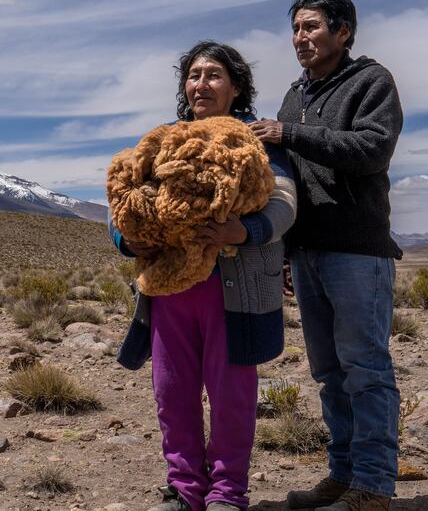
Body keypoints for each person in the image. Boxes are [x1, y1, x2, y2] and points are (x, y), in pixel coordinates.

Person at [110, 41, 296, 511]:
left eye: (213, 75)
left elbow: (285, 202)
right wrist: (129, 240)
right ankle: (185, 489)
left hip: (233, 292)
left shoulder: (255, 142)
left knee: (232, 393)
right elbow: (124, 202)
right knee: (172, 392)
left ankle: (228, 493)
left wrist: (245, 229)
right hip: (170, 287)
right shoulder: (162, 141)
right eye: (193, 75)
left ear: (235, 86)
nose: (201, 84)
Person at [249, 0, 403, 511]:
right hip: (309, 252)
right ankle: (342, 475)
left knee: (365, 369)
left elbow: (371, 150)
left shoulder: (370, 82)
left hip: (358, 252)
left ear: (343, 30)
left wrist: (288, 132)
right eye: (296, 28)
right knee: (329, 372)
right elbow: (288, 179)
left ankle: (374, 487)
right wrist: (288, 249)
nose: (301, 37)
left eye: (311, 26)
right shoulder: (296, 95)